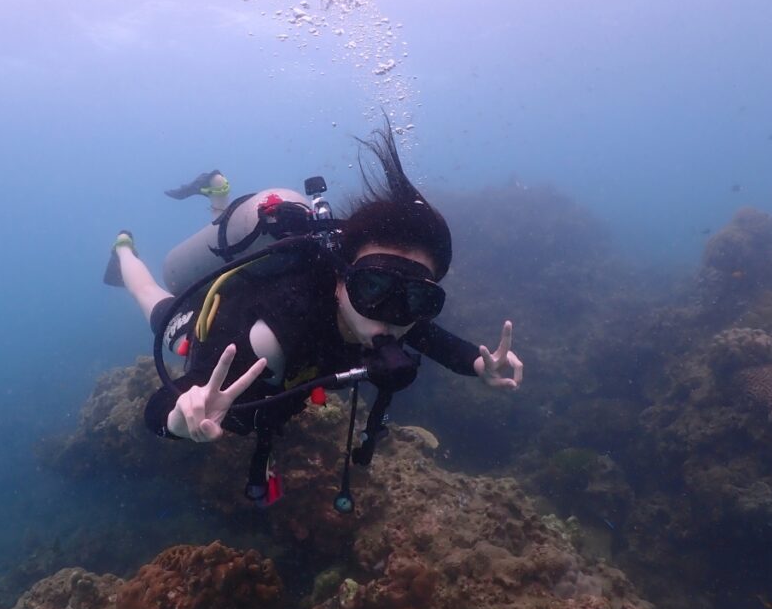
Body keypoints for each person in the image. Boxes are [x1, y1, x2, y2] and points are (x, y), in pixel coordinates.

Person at [106, 125, 522, 506]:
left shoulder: (390, 317)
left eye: (416, 298)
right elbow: (163, 406)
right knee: (152, 299)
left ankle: (220, 198)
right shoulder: (271, 336)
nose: (392, 318)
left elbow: (426, 336)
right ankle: (123, 249)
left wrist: (477, 363)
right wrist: (180, 417)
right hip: (215, 318)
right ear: (341, 281)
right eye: (372, 288)